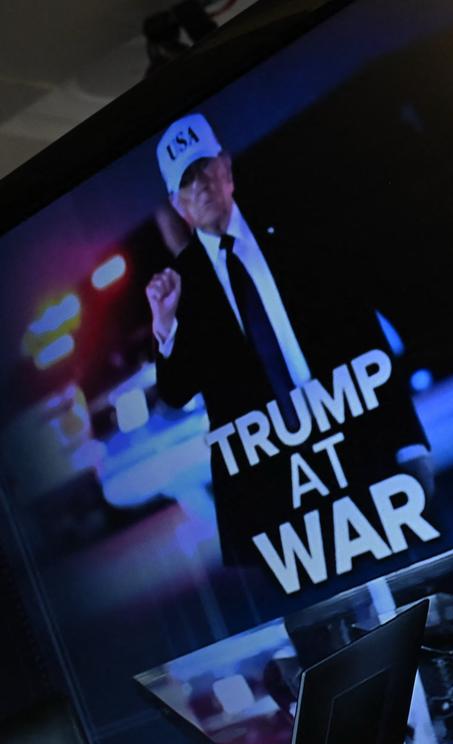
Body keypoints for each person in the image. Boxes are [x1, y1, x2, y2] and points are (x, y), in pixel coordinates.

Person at [147, 114, 434, 577]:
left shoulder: (295, 230)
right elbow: (176, 392)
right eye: (186, 180)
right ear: (177, 204)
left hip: (351, 437)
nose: (199, 184)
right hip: (278, 479)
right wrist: (165, 328)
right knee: (325, 607)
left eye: (203, 167)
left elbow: (361, 333)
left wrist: (409, 443)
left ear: (226, 167)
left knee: (417, 575)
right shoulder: (184, 286)